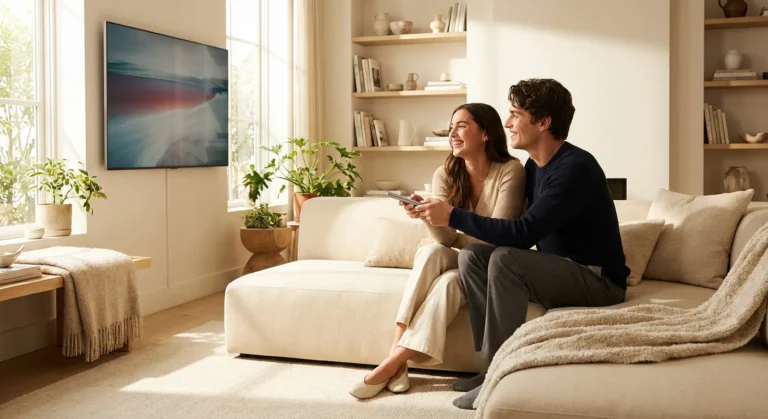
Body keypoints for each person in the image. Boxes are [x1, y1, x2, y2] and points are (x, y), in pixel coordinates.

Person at [410, 79, 629, 409]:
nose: (508, 122)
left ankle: (501, 377)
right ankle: (488, 369)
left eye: (515, 114)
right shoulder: (534, 167)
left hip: (598, 279)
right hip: (560, 271)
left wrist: (452, 215)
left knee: (505, 259)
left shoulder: (574, 169)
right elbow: (510, 231)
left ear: (543, 123)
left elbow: (523, 233)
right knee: (473, 256)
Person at [348, 103, 527, 399]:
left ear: (485, 133)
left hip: (487, 263)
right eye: (451, 126)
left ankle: (390, 364)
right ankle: (397, 360)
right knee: (431, 253)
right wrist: (427, 216)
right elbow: (444, 241)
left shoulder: (510, 171)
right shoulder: (444, 173)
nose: (452, 133)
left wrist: (451, 223)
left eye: (461, 126)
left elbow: (498, 235)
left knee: (447, 282)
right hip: (455, 254)